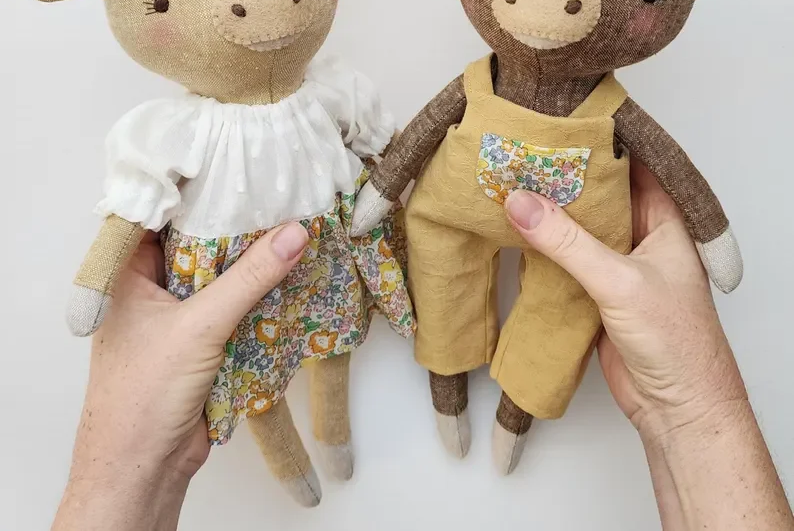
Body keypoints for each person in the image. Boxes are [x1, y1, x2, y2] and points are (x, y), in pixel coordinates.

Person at [51, 164, 794, 530]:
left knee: (546, 319)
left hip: (327, 261)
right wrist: (696, 416)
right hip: (257, 270)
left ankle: (506, 415)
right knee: (254, 387)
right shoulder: (166, 138)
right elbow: (131, 209)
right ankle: (408, 414)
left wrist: (690, 411)